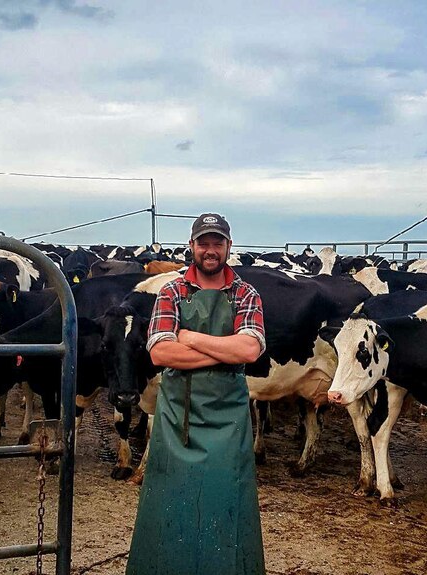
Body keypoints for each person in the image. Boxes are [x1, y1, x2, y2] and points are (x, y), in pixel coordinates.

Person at [126, 213, 266, 575]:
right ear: (192, 246)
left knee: (226, 501)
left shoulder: (246, 293)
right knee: (172, 502)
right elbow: (159, 353)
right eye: (203, 242)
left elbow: (250, 351)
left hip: (229, 421)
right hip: (178, 419)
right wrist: (224, 349)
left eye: (217, 243)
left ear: (228, 248)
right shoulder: (171, 291)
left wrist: (191, 338)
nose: (210, 250)